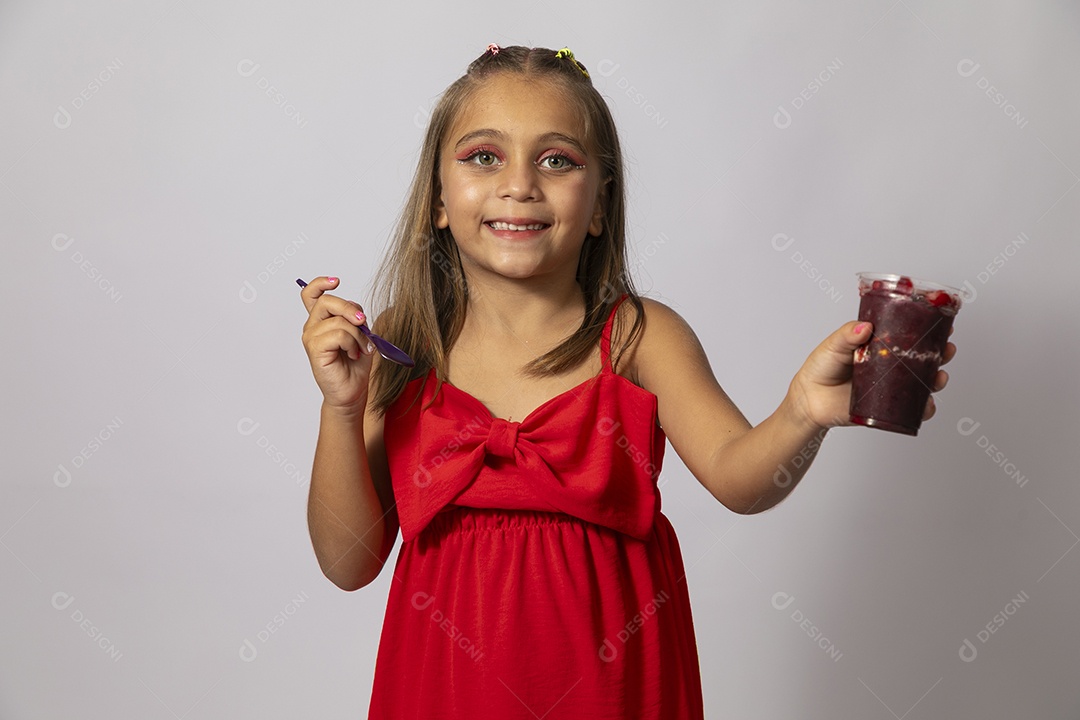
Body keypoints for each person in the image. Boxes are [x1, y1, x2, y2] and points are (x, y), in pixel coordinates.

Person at [297, 44, 955, 719]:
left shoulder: (640, 336)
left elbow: (740, 480)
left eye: (558, 160)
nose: (520, 183)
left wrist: (804, 411)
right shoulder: (403, 350)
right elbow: (348, 564)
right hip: (442, 695)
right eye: (483, 156)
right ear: (438, 198)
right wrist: (342, 408)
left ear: (601, 205)